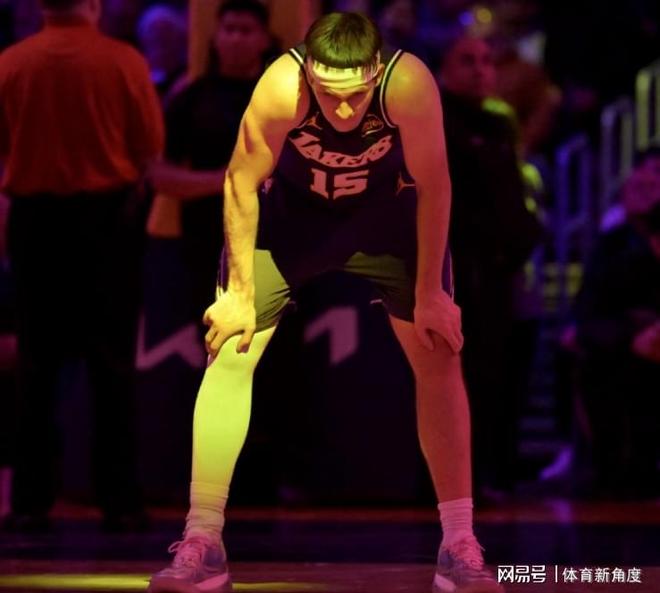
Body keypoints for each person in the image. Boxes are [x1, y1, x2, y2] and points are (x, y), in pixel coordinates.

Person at [149, 12, 502, 593]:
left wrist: (431, 293)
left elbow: (435, 185)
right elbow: (240, 181)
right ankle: (202, 541)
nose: (341, 111)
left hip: (386, 218)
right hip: (292, 219)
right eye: (327, 94)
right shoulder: (279, 85)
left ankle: (459, 544)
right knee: (231, 346)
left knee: (438, 347)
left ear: (376, 71)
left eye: (355, 96)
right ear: (308, 72)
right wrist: (239, 293)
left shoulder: (408, 85)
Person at [0, 0, 164, 531]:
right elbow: (149, 147)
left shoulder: (11, 63)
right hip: (107, 223)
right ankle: (120, 501)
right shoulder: (124, 62)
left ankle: (30, 503)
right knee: (112, 365)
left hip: (35, 223)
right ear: (93, 5)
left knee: (36, 367)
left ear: (40, 7)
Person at [438, 34, 543, 501]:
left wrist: (523, 241)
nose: (480, 70)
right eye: (468, 61)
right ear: (444, 69)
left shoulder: (499, 125)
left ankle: (495, 471)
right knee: (462, 376)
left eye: (486, 61)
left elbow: (510, 196)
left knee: (499, 372)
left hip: (501, 270)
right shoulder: (435, 122)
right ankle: (459, 482)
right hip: (457, 272)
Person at [573, 150, 660, 499]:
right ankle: (614, 470)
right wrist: (631, 335)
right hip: (625, 343)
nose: (644, 184)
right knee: (592, 358)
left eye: (654, 179)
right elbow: (589, 308)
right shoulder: (614, 243)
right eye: (638, 179)